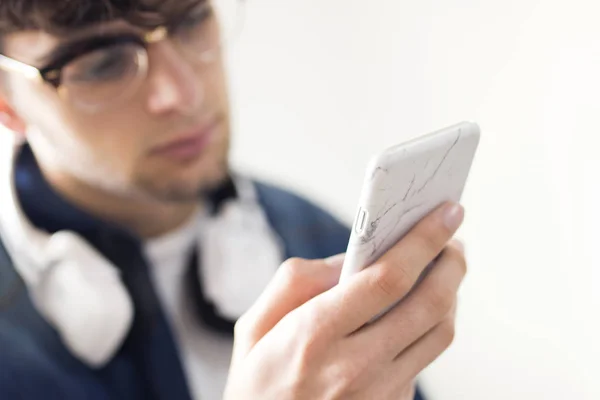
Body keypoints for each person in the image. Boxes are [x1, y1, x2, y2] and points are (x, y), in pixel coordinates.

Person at [0, 1, 467, 399]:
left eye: (190, 20)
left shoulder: (320, 238)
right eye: (101, 63)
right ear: (7, 103)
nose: (183, 92)